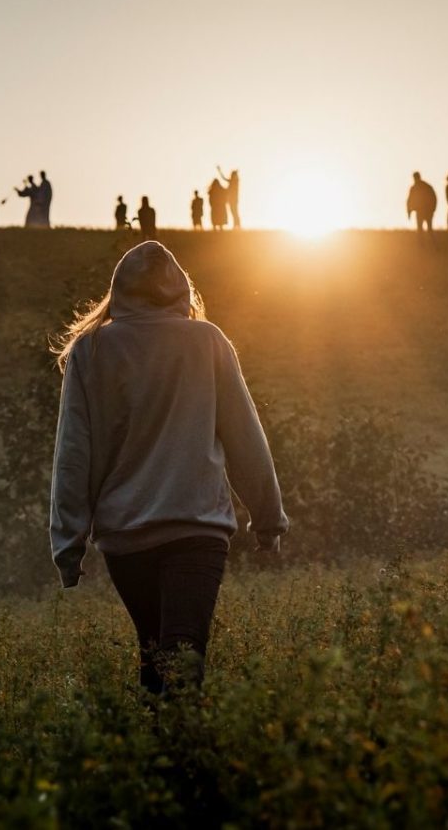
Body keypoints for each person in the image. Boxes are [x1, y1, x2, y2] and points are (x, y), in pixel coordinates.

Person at [50, 241, 288, 695]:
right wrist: (268, 517)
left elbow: (73, 454)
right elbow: (245, 437)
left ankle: (159, 758)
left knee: (160, 657)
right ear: (179, 288)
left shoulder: (92, 349)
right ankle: (181, 760)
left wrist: (68, 543)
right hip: (195, 529)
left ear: (120, 290)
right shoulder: (207, 341)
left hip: (125, 537)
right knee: (180, 661)